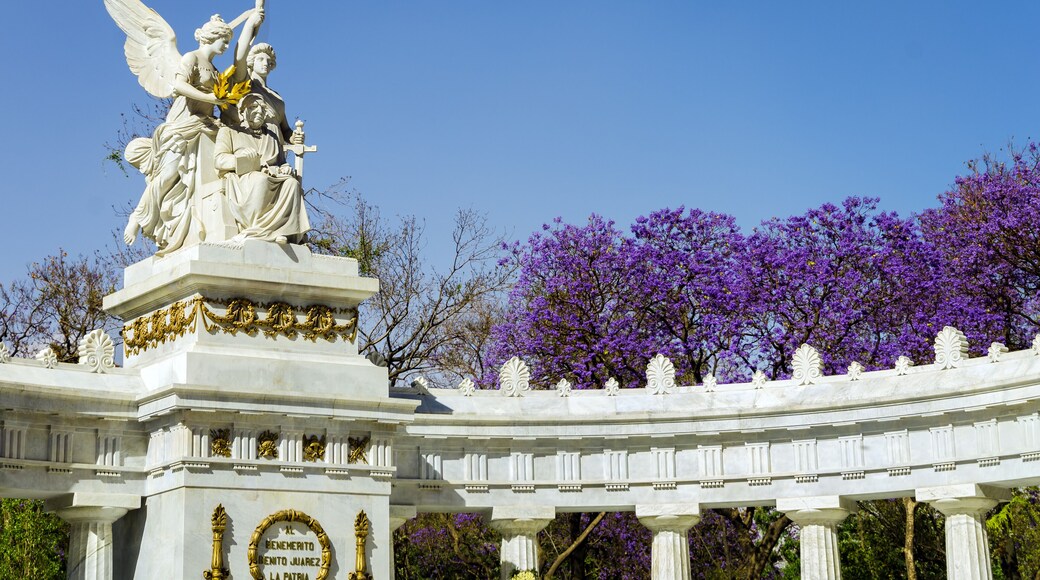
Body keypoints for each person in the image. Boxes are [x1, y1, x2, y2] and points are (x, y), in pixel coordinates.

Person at [215, 93, 310, 244]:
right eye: (253, 107)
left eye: (262, 109)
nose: (259, 111)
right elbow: (219, 160)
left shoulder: (272, 136)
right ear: (243, 111)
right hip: (243, 177)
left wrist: (285, 168)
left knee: (292, 184)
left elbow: (281, 162)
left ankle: (282, 231)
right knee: (261, 179)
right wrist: (240, 160)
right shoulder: (228, 131)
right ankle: (257, 230)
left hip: (273, 175)